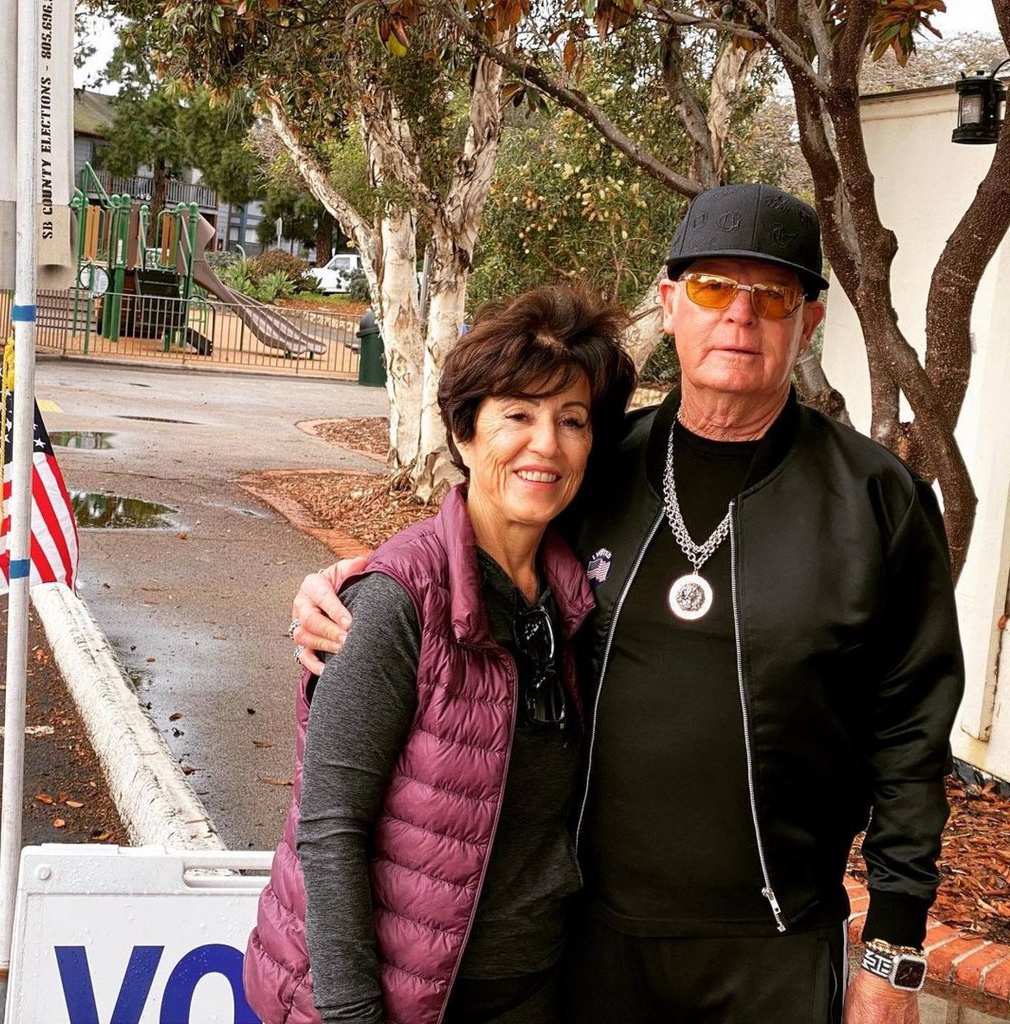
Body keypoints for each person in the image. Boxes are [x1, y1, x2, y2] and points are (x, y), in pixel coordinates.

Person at [291, 184, 965, 1024]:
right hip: (585, 945)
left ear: (810, 321)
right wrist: (354, 583)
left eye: (772, 296)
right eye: (715, 289)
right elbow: (480, 539)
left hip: (776, 946)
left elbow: (911, 739)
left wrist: (892, 955)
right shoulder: (595, 465)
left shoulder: (879, 501)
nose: (740, 319)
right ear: (671, 300)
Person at [243, 284, 637, 1024]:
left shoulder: (573, 596)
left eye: (572, 421)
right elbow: (328, 828)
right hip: (407, 997)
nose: (545, 445)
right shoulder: (395, 602)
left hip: (532, 982)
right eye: (517, 416)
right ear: (464, 433)